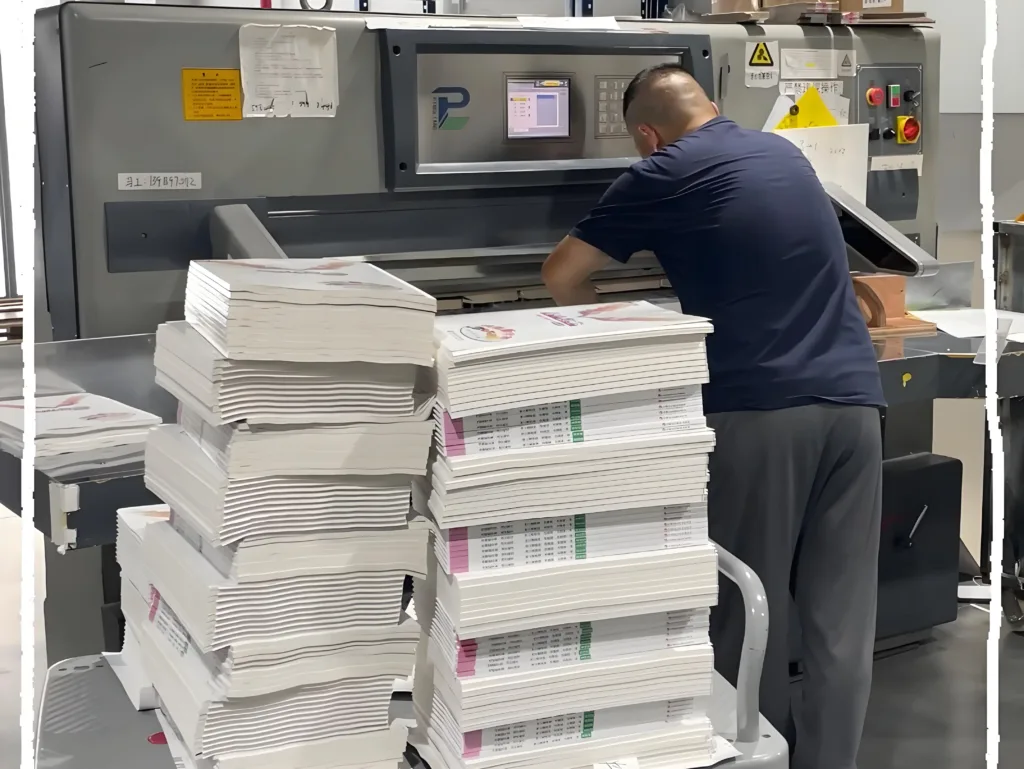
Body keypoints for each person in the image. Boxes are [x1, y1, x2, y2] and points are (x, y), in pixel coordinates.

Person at [541, 64, 884, 769]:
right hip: (854, 405)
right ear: (714, 105)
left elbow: (560, 275)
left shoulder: (660, 171)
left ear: (645, 132)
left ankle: (748, 755)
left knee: (747, 609)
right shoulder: (783, 151)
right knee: (841, 624)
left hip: (760, 413)